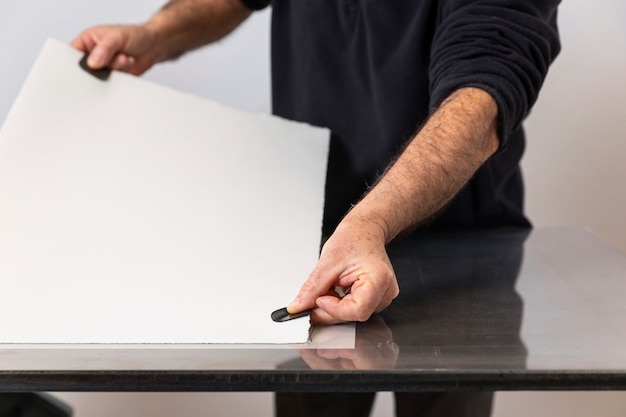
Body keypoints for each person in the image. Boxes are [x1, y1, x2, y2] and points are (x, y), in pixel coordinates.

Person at [72, 1, 561, 415]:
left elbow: (486, 84)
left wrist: (371, 220)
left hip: (457, 245)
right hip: (309, 239)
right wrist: (156, 33)